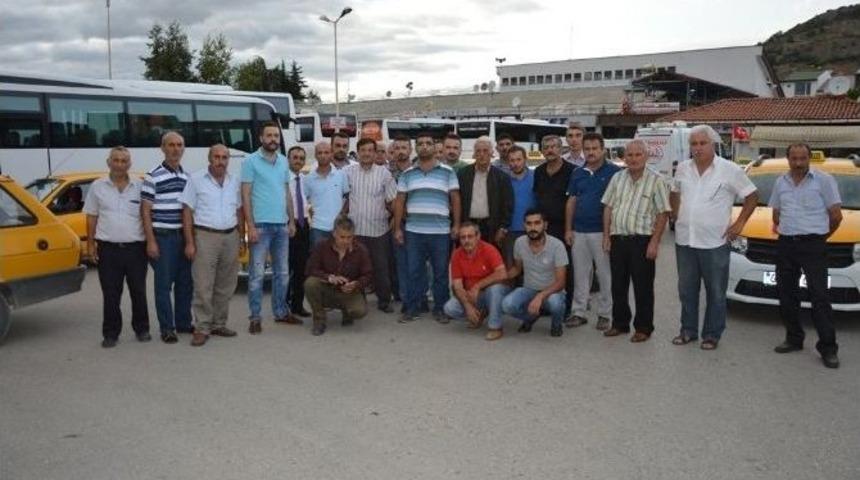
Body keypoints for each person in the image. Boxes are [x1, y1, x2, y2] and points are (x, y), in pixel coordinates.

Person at [670, 125, 757, 350]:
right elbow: (675, 191)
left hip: (714, 242)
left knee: (716, 291)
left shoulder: (729, 169)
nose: (697, 148)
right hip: (685, 240)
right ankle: (688, 330)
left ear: (712, 144)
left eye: (702, 143)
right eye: (693, 144)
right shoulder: (682, 168)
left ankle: (712, 334)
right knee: (686, 290)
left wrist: (739, 223)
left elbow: (752, 196)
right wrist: (676, 213)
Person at [770, 143, 842, 368]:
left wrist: (819, 237)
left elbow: (836, 216)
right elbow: (776, 213)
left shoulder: (824, 180)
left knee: (819, 296)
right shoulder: (780, 182)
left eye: (802, 158)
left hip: (813, 245)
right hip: (786, 244)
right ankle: (794, 339)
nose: (798, 163)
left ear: (809, 158)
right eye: (794, 158)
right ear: (788, 159)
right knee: (787, 294)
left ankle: (828, 348)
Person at [600, 140, 671, 342]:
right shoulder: (617, 178)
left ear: (646, 157)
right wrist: (606, 236)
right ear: (625, 157)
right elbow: (608, 207)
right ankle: (620, 324)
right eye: (629, 155)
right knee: (618, 286)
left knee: (643, 287)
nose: (633, 159)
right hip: (618, 240)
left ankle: (643, 328)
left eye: (638, 155)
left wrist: (654, 242)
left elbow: (662, 214)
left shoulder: (656, 180)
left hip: (642, 241)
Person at [84, 146, 150, 348]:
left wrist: (151, 242)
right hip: (109, 249)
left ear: (129, 164)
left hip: (136, 249)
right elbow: (92, 216)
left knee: (138, 291)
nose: (120, 164)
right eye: (116, 160)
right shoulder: (97, 186)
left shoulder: (140, 186)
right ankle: (111, 333)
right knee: (111, 294)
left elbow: (147, 216)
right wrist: (91, 244)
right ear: (109, 162)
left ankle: (142, 329)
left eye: (124, 161)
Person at [393, 131, 461, 323]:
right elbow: (400, 202)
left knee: (440, 273)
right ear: (416, 147)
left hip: (440, 232)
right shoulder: (407, 175)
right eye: (420, 143)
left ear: (434, 147)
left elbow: (455, 199)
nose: (424, 146)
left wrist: (456, 224)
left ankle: (440, 308)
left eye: (428, 143)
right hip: (414, 231)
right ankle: (413, 308)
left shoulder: (448, 172)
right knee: (414, 271)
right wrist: (398, 228)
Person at [180, 144, 243, 347]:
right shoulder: (196, 180)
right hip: (205, 236)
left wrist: (242, 238)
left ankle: (218, 323)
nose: (220, 161)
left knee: (225, 284)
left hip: (230, 236)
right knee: (203, 285)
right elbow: (187, 212)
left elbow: (240, 210)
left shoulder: (234, 181)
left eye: (224, 157)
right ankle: (202, 327)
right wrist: (190, 242)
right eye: (216, 157)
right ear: (209, 158)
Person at [241, 122, 299, 335]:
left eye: (276, 136)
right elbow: (245, 195)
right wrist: (251, 226)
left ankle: (281, 312)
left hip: (281, 226)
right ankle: (255, 317)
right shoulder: (250, 161)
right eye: (269, 135)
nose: (273, 139)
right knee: (256, 274)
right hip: (261, 226)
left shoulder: (284, 162)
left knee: (282, 273)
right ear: (261, 138)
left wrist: (291, 221)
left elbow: (286, 193)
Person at [564, 132, 620, 330]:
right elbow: (571, 201)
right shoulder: (577, 173)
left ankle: (605, 314)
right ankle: (578, 312)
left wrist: (608, 234)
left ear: (602, 149)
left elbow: (615, 204)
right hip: (579, 232)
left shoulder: (614, 172)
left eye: (595, 148)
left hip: (602, 233)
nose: (591, 152)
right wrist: (568, 229)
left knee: (605, 275)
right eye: (587, 149)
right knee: (580, 274)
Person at [141, 131, 192, 344]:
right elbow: (145, 211)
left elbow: (189, 210)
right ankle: (167, 328)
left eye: (179, 145)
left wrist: (191, 240)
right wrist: (151, 241)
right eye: (171, 145)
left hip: (182, 236)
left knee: (185, 283)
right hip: (163, 238)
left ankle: (182, 322)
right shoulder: (152, 176)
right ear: (163, 148)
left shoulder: (186, 177)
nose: (175, 149)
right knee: (163, 285)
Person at [345, 138, 398, 313]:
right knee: (354, 268)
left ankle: (384, 300)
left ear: (375, 153)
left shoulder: (384, 174)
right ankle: (356, 300)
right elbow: (343, 199)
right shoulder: (348, 172)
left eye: (370, 150)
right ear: (358, 152)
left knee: (381, 267)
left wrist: (395, 221)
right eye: (363, 150)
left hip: (378, 231)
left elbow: (393, 201)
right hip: (355, 231)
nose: (366, 153)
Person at [501, 209, 568, 337]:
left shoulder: (557, 245)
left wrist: (540, 296)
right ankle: (530, 318)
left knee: (556, 304)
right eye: (529, 223)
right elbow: (517, 269)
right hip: (529, 289)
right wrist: (498, 277)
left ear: (545, 225)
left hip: (552, 291)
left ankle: (556, 325)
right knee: (507, 305)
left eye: (537, 223)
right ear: (524, 225)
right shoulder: (519, 243)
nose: (533, 227)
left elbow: (561, 282)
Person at [304, 217, 372, 336]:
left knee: (360, 311)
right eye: (342, 237)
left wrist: (356, 284)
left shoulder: (361, 250)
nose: (346, 241)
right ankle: (319, 320)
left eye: (349, 237)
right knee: (310, 283)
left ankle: (347, 312)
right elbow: (310, 269)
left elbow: (368, 274)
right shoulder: (322, 246)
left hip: (349, 291)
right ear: (334, 233)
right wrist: (329, 277)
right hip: (327, 287)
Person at [443, 223, 510, 340]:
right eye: (463, 237)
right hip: (472, 295)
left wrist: (478, 286)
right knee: (450, 308)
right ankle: (479, 315)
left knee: (495, 290)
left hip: (492, 292)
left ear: (478, 236)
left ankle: (495, 327)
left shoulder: (489, 249)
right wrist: (468, 306)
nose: (466, 240)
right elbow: (457, 286)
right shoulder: (456, 254)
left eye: (470, 236)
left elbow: (502, 273)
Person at [533, 134, 576, 315]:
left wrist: (568, 229)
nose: (550, 150)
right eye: (546, 147)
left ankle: (566, 308)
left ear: (561, 149)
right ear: (542, 151)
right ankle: (546, 304)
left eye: (554, 146)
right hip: (543, 228)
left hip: (563, 228)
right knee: (545, 266)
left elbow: (573, 202)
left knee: (565, 267)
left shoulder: (572, 171)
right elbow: (537, 198)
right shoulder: (539, 171)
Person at [457, 135, 513, 246]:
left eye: (485, 151)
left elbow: (508, 205)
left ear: (492, 153)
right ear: (474, 154)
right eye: (478, 151)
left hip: (491, 227)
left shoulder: (501, 177)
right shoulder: (463, 174)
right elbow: (457, 201)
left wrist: (503, 228)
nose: (482, 154)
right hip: (468, 226)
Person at [388, 135, 416, 306]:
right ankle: (405, 299)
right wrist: (396, 217)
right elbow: (387, 200)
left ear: (410, 150)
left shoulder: (418, 172)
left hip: (414, 222)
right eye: (396, 148)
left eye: (404, 148)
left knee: (416, 263)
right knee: (400, 263)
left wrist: (400, 215)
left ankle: (419, 297)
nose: (400, 152)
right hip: (394, 223)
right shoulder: (386, 173)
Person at [304, 141, 350, 246]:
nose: (323, 156)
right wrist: (309, 213)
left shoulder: (341, 175)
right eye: (320, 153)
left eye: (326, 152)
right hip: (317, 228)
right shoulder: (308, 179)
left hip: (338, 227)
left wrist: (342, 214)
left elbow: (348, 197)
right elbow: (303, 200)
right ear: (315, 155)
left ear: (331, 154)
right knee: (319, 260)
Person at [286, 146, 312, 317]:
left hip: (303, 227)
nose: (298, 160)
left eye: (301, 158)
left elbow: (307, 201)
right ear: (288, 159)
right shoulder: (282, 179)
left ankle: (297, 305)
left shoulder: (304, 179)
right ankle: (283, 305)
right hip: (288, 226)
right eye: (295, 157)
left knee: (301, 268)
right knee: (286, 269)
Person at [503, 145, 536, 269]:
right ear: (508, 162)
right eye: (512, 160)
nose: (515, 163)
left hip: (532, 229)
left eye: (518, 159)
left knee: (532, 267)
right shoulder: (504, 180)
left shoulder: (536, 177)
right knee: (511, 267)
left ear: (525, 159)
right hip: (510, 231)